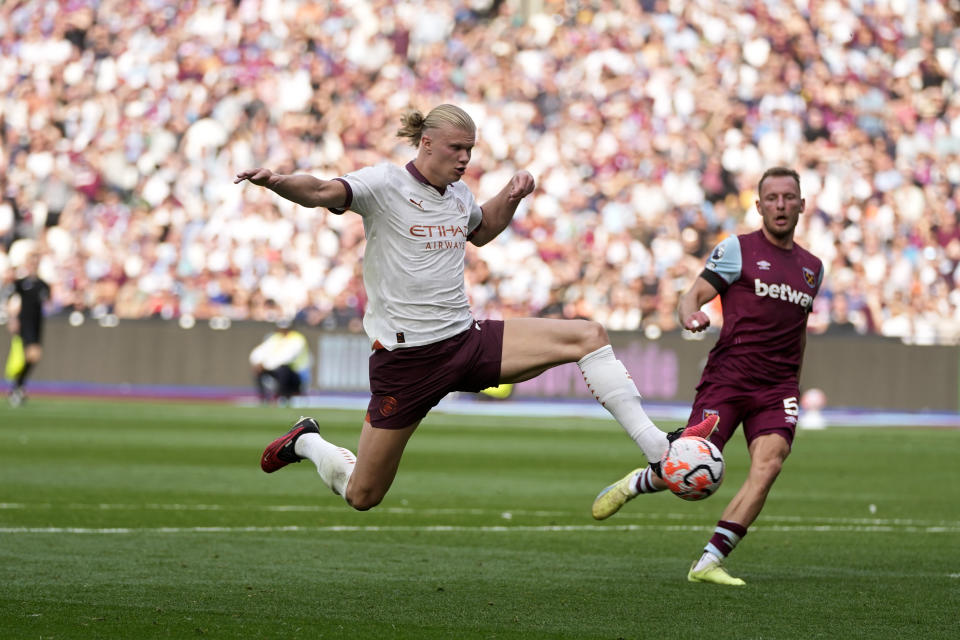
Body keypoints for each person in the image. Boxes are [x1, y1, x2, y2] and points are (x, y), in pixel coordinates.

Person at [235, 104, 716, 511]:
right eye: (456, 148)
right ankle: (307, 440)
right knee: (364, 495)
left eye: (470, 150)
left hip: (466, 342)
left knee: (588, 335)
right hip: (407, 362)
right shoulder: (383, 184)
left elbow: (482, 230)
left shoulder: (458, 195)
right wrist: (277, 182)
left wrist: (510, 195)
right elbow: (320, 191)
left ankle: (657, 449)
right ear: (425, 143)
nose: (465, 158)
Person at [591, 167, 823, 586]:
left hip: (778, 389)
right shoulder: (737, 249)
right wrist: (690, 316)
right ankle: (637, 482)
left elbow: (799, 331)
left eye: (789, 197)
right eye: (771, 198)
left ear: (802, 205)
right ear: (758, 206)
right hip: (729, 379)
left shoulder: (812, 268)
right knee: (686, 468)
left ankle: (709, 561)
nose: (781, 205)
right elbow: (692, 294)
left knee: (768, 466)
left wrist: (796, 384)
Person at [3, 251, 50, 407]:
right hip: (25, 323)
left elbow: (47, 302)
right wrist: (12, 318)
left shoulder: (42, 285)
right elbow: (8, 297)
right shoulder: (21, 283)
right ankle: (18, 387)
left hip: (37, 324)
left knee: (34, 356)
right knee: (33, 354)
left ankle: (18, 386)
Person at [250, 319, 312, 404]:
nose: (283, 331)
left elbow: (287, 358)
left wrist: (265, 365)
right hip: (275, 369)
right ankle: (263, 399)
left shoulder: (297, 339)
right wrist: (258, 362)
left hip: (296, 374)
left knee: (283, 369)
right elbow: (260, 351)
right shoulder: (276, 337)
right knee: (258, 370)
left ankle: (280, 397)